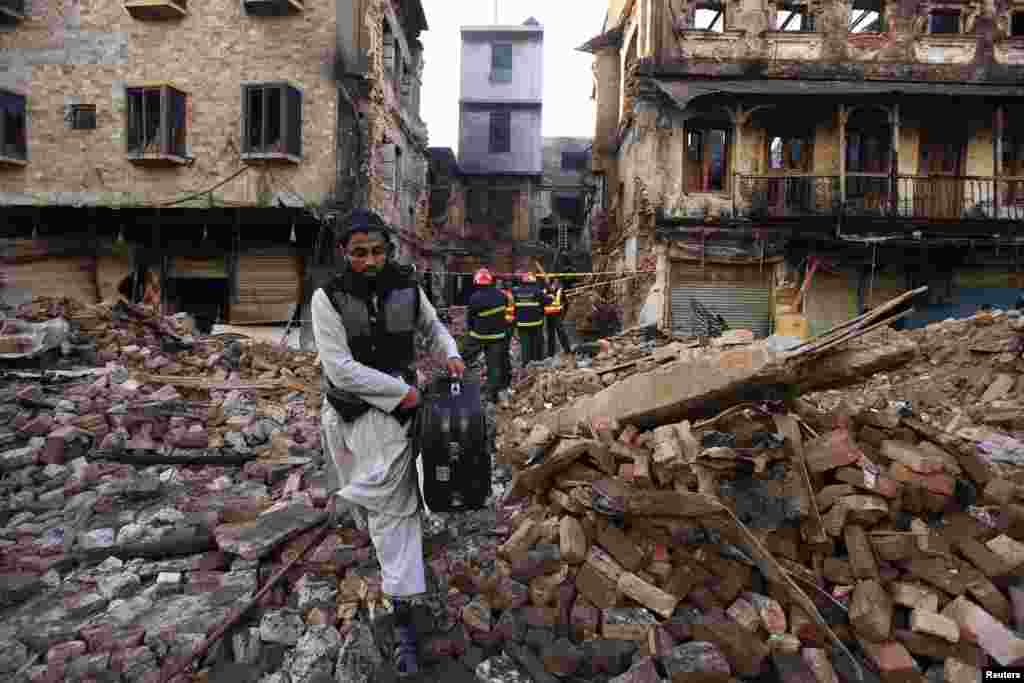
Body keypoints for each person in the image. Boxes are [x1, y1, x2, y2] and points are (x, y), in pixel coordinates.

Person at [311, 209, 464, 678]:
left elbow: (432, 327)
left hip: (395, 415)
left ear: (388, 250)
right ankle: (390, 560)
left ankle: (403, 619)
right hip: (352, 413)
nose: (370, 261)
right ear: (344, 253)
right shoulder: (328, 298)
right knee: (371, 502)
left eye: (377, 251)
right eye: (360, 253)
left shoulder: (406, 285)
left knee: (394, 512)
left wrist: (451, 355)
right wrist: (405, 394)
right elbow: (339, 369)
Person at [464, 268, 510, 403]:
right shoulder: (502, 296)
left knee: (465, 358)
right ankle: (492, 396)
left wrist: (471, 333)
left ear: (477, 282)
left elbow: (470, 320)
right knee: (494, 366)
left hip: (478, 336)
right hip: (497, 337)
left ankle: (461, 384)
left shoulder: (474, 298)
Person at [512, 271, 545, 367]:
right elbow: (547, 301)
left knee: (525, 345)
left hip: (521, 324)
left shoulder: (516, 291)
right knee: (535, 345)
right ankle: (535, 364)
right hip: (535, 323)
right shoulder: (537, 291)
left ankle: (525, 365)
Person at [543, 277, 572, 357]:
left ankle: (567, 350)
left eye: (557, 281)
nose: (556, 283)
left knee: (561, 333)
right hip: (549, 315)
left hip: (557, 315)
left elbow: (566, 303)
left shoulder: (560, 290)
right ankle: (551, 353)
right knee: (550, 335)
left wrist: (563, 315)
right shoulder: (545, 291)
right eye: (554, 281)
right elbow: (542, 302)